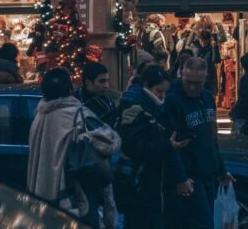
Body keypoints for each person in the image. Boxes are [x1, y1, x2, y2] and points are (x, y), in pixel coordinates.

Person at [28, 68, 121, 229]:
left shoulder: (40, 116)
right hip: (76, 194)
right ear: (69, 89)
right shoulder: (76, 115)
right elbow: (109, 143)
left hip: (45, 191)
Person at [163, 57, 235, 229]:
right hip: (190, 175)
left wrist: (221, 169)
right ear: (182, 75)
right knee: (202, 223)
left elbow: (211, 138)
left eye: (198, 83)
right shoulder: (172, 100)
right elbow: (171, 144)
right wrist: (180, 178)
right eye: (189, 82)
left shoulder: (208, 97)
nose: (193, 87)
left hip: (207, 172)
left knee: (206, 220)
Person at [115, 65, 189, 229]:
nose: (162, 96)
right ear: (147, 85)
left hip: (152, 186)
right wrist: (167, 145)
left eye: (164, 92)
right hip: (139, 186)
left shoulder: (155, 107)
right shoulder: (134, 108)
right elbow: (136, 148)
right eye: (159, 91)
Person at [76, 62, 119, 128]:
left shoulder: (108, 100)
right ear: (88, 82)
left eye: (107, 81)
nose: (106, 86)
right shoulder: (78, 103)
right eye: (102, 81)